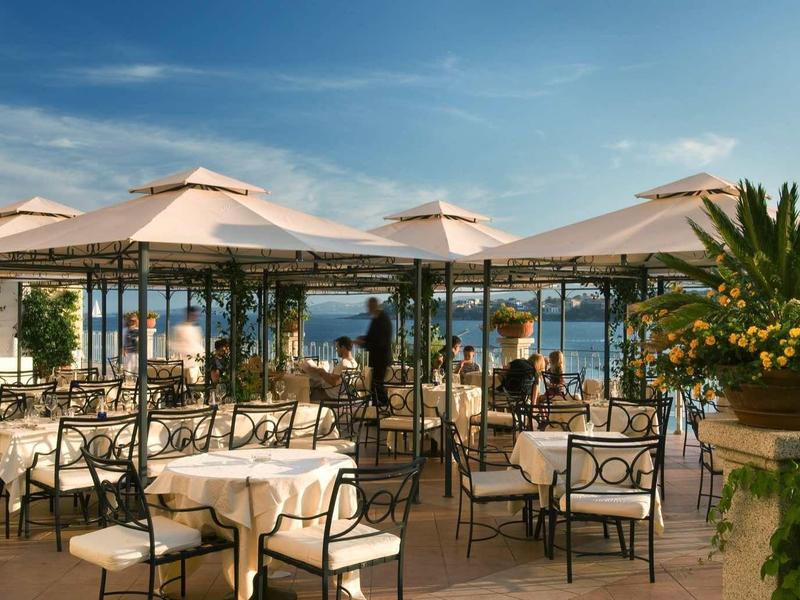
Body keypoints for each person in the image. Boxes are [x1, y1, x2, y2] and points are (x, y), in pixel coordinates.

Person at [356, 297, 392, 406]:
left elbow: (380, 342)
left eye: (369, 306)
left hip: (381, 359)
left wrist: (364, 343)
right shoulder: (377, 318)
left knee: (377, 387)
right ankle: (377, 416)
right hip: (378, 359)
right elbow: (373, 337)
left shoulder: (382, 319)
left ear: (374, 306)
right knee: (375, 387)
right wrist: (364, 339)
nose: (368, 309)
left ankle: (382, 413)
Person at [304, 336, 359, 401]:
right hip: (342, 393)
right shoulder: (354, 363)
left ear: (343, 347)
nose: (336, 350)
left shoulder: (343, 364)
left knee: (306, 393)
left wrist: (322, 372)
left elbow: (333, 382)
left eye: (337, 347)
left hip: (331, 395)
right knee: (315, 384)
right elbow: (338, 380)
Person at [171, 306, 204, 383]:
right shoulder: (180, 328)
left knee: (192, 375)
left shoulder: (195, 328)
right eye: (194, 315)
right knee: (190, 376)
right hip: (184, 362)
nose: (195, 317)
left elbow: (197, 343)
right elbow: (173, 343)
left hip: (192, 361)